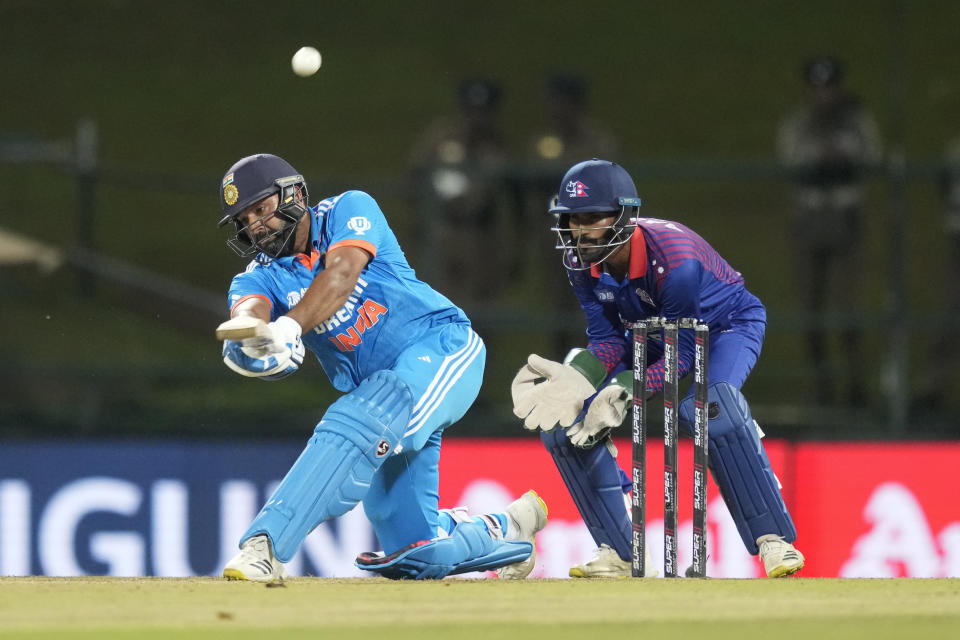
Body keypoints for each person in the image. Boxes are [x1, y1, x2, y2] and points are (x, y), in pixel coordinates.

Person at [214, 153, 547, 581]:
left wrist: (289, 327)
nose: (256, 224)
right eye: (245, 219)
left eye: (261, 209)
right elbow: (250, 314)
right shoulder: (256, 277)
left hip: (443, 348)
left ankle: (265, 546)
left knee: (361, 415)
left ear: (293, 194)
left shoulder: (350, 209)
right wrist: (254, 341)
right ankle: (505, 528)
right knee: (416, 554)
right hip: (381, 394)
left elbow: (341, 274)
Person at [510, 158, 804, 579]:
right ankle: (621, 551)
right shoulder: (579, 261)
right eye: (572, 219)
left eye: (592, 218)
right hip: (644, 332)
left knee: (708, 408)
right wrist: (581, 378)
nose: (579, 231)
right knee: (566, 417)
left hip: (722, 327)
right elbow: (609, 339)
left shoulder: (675, 261)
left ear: (624, 216)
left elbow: (684, 353)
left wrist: (628, 388)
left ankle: (773, 540)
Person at [776, 55, 882, 406]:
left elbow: (872, 155)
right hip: (809, 218)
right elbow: (789, 157)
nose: (824, 95)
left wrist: (844, 155)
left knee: (848, 307)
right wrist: (819, 158)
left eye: (829, 87)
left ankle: (855, 384)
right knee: (811, 310)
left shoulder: (856, 121)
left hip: (845, 216)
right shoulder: (799, 124)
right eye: (818, 88)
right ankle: (821, 386)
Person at [406, 77, 513, 304]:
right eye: (470, 109)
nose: (476, 118)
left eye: (483, 111)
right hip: (440, 233)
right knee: (437, 305)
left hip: (481, 241)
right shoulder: (441, 136)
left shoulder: (497, 147)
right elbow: (415, 175)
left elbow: (486, 197)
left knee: (480, 312)